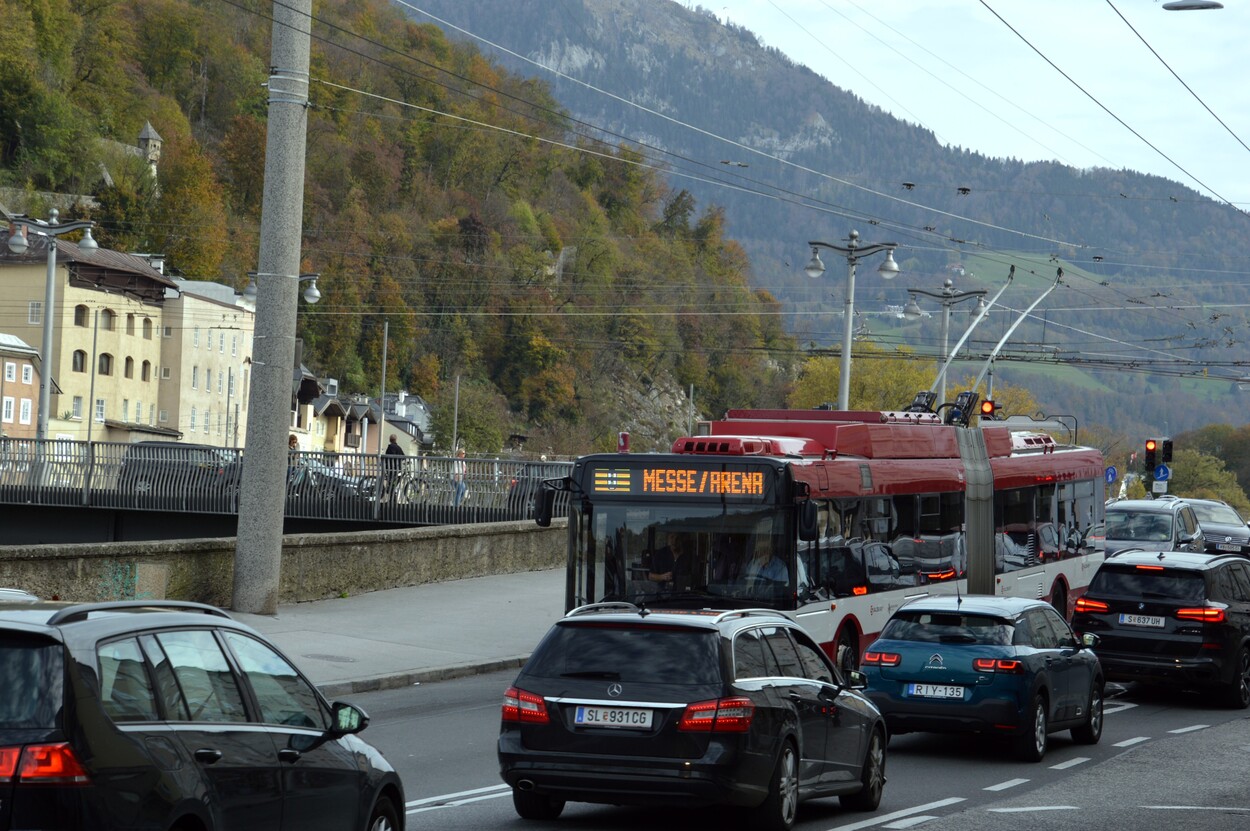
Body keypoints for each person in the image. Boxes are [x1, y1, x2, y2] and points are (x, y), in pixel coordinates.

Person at [384, 435, 405, 501]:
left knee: (391, 481)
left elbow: (387, 456)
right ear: (396, 439)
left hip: (390, 467)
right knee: (394, 481)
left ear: (390, 440)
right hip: (397, 468)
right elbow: (403, 457)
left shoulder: (390, 447)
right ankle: (393, 495)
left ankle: (391, 494)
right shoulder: (398, 447)